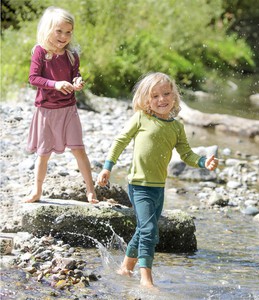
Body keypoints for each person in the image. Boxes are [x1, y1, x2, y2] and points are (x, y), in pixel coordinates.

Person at [97, 72, 218, 288]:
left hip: (158, 188)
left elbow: (186, 154)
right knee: (149, 231)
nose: (161, 99)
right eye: (155, 96)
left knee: (144, 229)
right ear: (145, 99)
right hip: (139, 185)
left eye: (166, 94)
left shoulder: (176, 126)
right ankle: (146, 280)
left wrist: (202, 162)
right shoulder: (141, 118)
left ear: (174, 96)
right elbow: (120, 141)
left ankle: (125, 269)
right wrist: (107, 168)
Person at [24, 6, 98, 204]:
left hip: (68, 110)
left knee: (79, 149)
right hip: (46, 112)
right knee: (43, 153)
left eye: (68, 32)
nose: (64, 36)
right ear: (48, 29)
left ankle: (90, 191)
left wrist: (77, 82)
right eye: (59, 31)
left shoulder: (72, 55)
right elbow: (33, 78)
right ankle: (37, 190)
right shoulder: (40, 52)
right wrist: (55, 84)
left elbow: (76, 74)